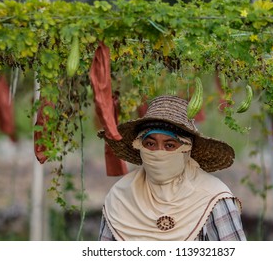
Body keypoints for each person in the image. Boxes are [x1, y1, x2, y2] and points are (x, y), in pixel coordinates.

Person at [97, 95, 246, 241]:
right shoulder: (120, 196)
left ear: (186, 150)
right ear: (139, 146)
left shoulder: (212, 197)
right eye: (150, 144)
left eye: (169, 145)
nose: (158, 153)